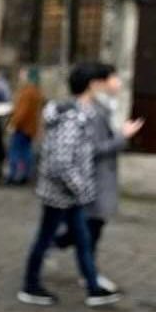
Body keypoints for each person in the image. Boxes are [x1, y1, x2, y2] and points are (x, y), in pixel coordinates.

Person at [18, 63, 122, 308]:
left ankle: (94, 289)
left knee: (83, 239)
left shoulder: (81, 114)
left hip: (71, 195)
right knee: (45, 239)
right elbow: (61, 163)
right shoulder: (71, 119)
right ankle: (30, 285)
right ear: (91, 85)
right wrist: (82, 189)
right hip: (59, 195)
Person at [55, 63, 144, 292]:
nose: (119, 82)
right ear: (99, 83)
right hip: (91, 181)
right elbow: (93, 148)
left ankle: (66, 252)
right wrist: (122, 137)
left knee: (89, 228)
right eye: (114, 78)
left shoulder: (102, 106)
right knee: (88, 230)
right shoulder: (91, 110)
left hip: (98, 181)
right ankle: (88, 275)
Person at [5, 67, 42, 185]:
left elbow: (22, 111)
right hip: (29, 128)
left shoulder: (27, 92)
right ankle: (25, 174)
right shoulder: (36, 91)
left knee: (16, 152)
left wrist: (13, 124)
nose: (21, 77)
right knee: (26, 152)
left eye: (23, 75)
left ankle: (16, 175)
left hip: (22, 127)